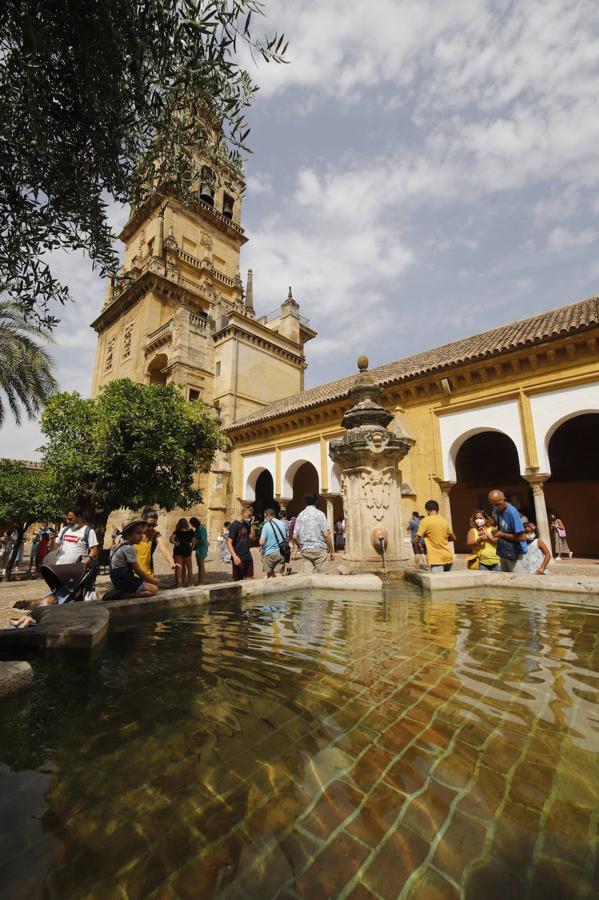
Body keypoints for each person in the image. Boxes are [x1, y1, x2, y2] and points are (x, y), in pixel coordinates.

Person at [109, 519, 159, 597]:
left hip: (118, 579)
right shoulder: (128, 548)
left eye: (143, 533)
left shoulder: (120, 545)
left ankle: (122, 591)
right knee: (153, 590)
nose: (142, 536)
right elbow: (137, 570)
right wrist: (152, 580)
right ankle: (123, 595)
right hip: (123, 579)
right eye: (138, 533)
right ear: (128, 535)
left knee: (148, 585)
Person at [293, 493, 335, 574]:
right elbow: (326, 535)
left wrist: (301, 547)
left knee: (308, 577)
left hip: (306, 550)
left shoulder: (300, 515)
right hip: (319, 549)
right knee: (324, 576)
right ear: (316, 501)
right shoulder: (320, 514)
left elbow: (294, 537)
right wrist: (332, 550)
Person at [488, 489, 528, 572]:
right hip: (504, 550)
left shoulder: (512, 513)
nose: (496, 507)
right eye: (493, 505)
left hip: (516, 553)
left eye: (497, 504)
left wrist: (501, 534)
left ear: (504, 500)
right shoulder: (496, 510)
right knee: (504, 577)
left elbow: (522, 537)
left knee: (516, 578)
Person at [135, 509, 177, 582]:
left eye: (154, 525)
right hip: (133, 572)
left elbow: (164, 550)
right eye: (149, 525)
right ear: (143, 522)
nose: (151, 528)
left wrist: (171, 562)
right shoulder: (135, 532)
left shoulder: (155, 534)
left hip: (147, 572)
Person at [416, 499, 456, 573]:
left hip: (436, 559)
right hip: (448, 557)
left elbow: (417, 538)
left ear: (427, 510)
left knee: (437, 580)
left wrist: (418, 544)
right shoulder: (444, 521)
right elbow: (454, 538)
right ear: (438, 509)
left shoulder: (425, 521)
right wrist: (443, 539)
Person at [227, 506, 256, 580]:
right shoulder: (234, 525)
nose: (251, 517)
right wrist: (235, 557)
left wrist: (252, 525)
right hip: (238, 556)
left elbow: (252, 538)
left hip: (247, 555)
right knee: (238, 580)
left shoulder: (246, 524)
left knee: (250, 578)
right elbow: (229, 543)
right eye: (249, 515)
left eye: (251, 515)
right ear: (243, 513)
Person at [259, 509, 289, 577]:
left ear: (269, 516)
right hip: (281, 552)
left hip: (270, 553)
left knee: (269, 574)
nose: (265, 518)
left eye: (265, 516)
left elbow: (261, 542)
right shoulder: (282, 523)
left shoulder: (266, 525)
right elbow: (286, 538)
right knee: (278, 573)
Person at [170, 517, 195, 587]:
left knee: (179, 568)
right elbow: (193, 542)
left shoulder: (177, 531)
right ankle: (190, 583)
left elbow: (171, 539)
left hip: (178, 549)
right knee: (189, 568)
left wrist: (176, 543)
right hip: (187, 549)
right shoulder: (191, 531)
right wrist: (191, 550)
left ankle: (180, 584)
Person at [189, 516, 209, 585]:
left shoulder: (201, 529)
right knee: (200, 564)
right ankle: (200, 580)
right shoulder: (198, 528)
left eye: (192, 524)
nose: (192, 526)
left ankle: (201, 581)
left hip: (201, 548)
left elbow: (202, 539)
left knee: (201, 565)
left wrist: (194, 541)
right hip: (199, 548)